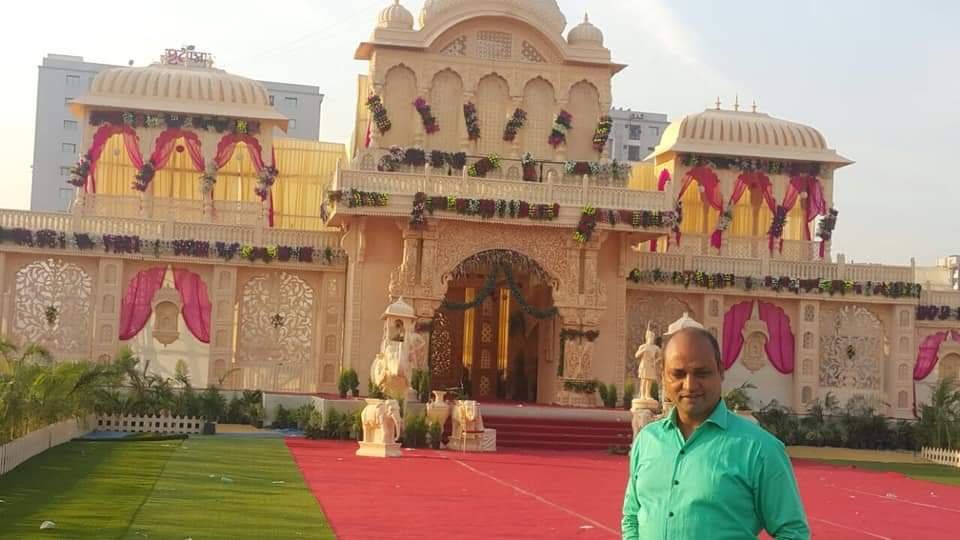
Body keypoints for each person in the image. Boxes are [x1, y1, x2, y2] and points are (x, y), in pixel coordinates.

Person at [621, 328, 809, 539]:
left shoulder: (760, 449)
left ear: (721, 371)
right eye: (678, 374)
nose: (690, 385)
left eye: (702, 373)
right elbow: (632, 516)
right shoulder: (648, 440)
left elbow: (793, 533)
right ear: (663, 375)